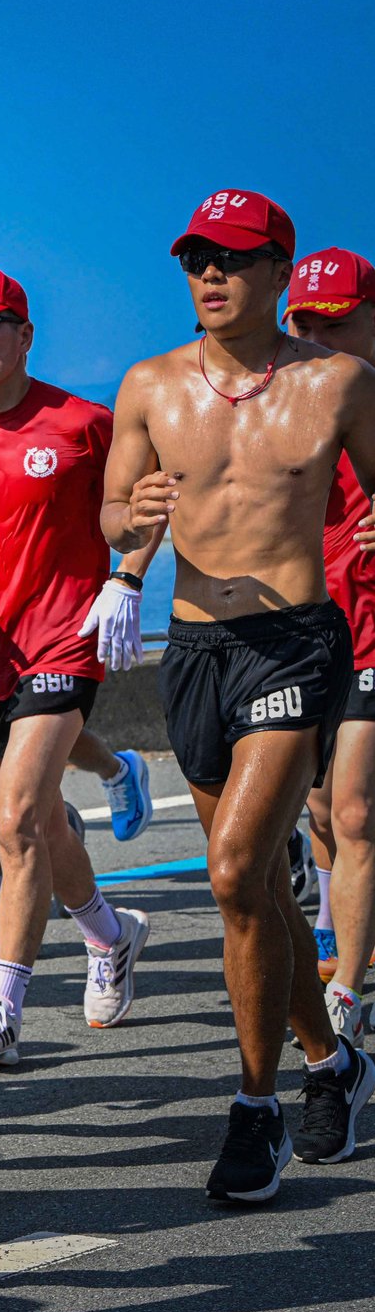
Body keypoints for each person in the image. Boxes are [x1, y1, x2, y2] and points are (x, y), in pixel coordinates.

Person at [104, 189, 375, 1199]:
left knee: (228, 874)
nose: (207, 276)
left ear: (275, 271)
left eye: (229, 259)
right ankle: (332, 1062)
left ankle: (254, 1106)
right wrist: (125, 522)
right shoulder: (149, 385)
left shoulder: (338, 382)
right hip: (195, 650)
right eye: (193, 259)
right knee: (256, 890)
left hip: (295, 645)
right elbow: (111, 517)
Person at [0, 266, 156, 1074]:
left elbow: (144, 501)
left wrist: (127, 578)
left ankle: (3, 1008)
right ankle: (108, 931)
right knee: (44, 820)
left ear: (22, 335)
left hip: (63, 641)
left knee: (15, 813)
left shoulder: (84, 424)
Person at [283, 249, 375, 1044]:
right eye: (304, 322)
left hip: (374, 626)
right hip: (309, 629)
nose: (318, 335)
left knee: (351, 806)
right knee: (318, 810)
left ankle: (347, 987)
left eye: (336, 320)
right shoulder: (280, 401)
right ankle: (336, 914)